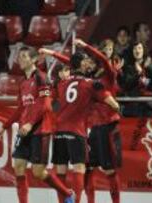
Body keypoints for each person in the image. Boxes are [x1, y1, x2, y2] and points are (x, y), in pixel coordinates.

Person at [0, 46, 75, 203]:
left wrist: (30, 124)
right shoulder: (23, 83)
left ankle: (66, 193)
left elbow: (45, 104)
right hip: (25, 130)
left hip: (40, 129)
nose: (20, 59)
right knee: (18, 167)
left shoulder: (42, 78)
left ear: (33, 60)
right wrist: (4, 127)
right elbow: (20, 109)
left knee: (38, 172)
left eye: (24, 56)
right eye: (19, 56)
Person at [42, 41, 120, 203]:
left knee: (107, 170)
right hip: (83, 129)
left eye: (90, 61)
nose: (89, 63)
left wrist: (53, 53)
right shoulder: (91, 83)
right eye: (86, 61)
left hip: (98, 128)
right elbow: (71, 63)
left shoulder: (106, 74)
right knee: (84, 169)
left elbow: (77, 63)